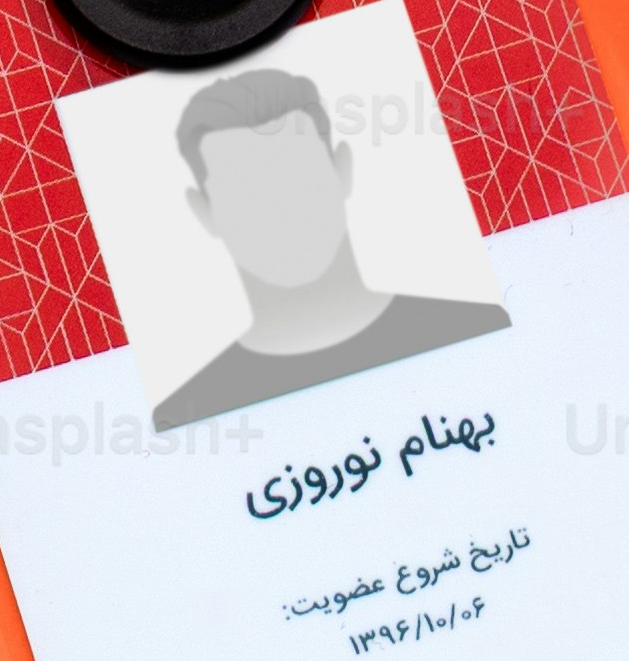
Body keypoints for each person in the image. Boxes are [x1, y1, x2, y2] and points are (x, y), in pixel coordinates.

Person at [141, 61, 508, 424]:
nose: (280, 210)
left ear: (341, 170)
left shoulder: (477, 328)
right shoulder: (188, 415)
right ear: (205, 211)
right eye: (244, 191)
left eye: (298, 176)